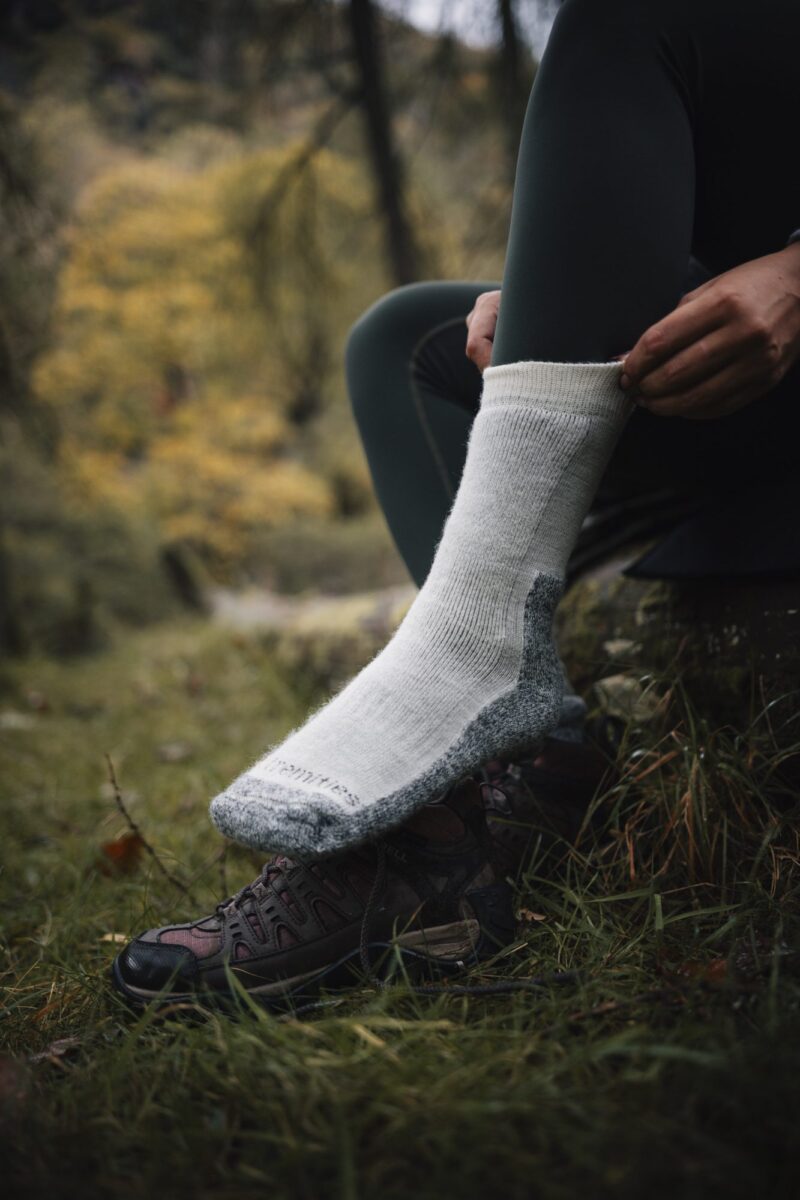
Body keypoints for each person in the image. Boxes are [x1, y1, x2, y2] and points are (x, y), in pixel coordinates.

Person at [113, 0, 800, 1009]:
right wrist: (554, 291)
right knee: (401, 338)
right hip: (728, 388)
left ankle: (471, 665)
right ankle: (501, 783)